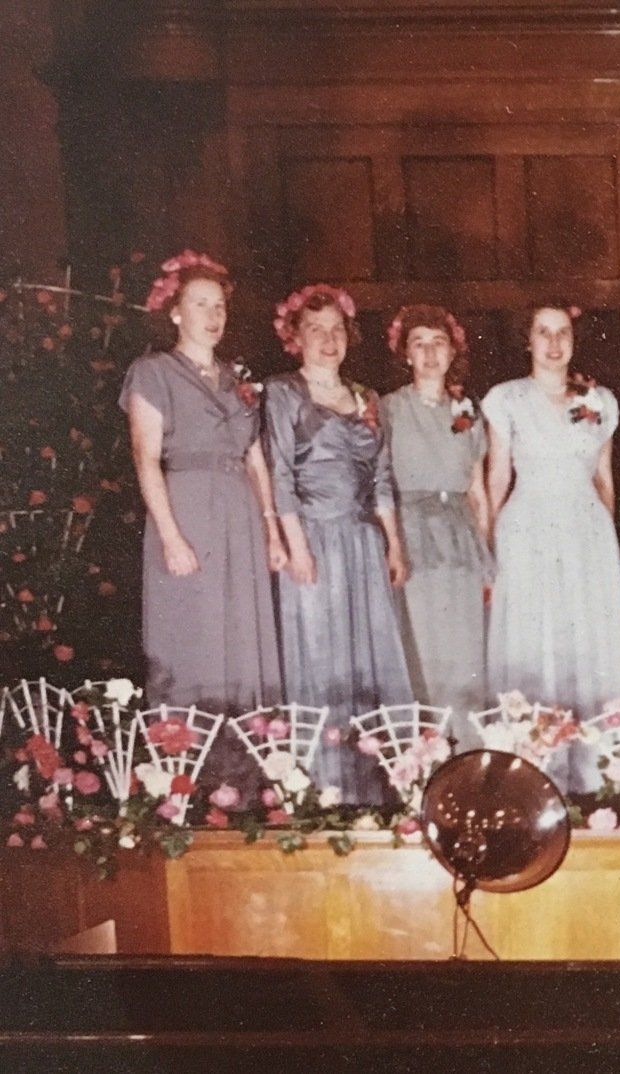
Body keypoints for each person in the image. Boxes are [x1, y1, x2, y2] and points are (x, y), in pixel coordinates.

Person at [120, 251, 283, 796]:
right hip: (186, 511)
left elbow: (257, 459)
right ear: (174, 312)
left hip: (240, 514)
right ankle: (184, 785)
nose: (213, 316)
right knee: (189, 641)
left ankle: (246, 783)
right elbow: (145, 457)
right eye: (199, 305)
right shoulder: (153, 372)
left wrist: (272, 529)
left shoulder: (239, 379)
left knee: (244, 641)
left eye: (219, 306)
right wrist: (170, 535)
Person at [263, 284, 413, 804]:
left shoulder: (367, 398)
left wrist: (393, 544)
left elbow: (382, 478)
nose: (328, 341)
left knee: (371, 659)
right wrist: (297, 546)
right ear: (295, 338)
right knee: (322, 659)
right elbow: (280, 474)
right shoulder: (283, 393)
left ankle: (378, 789)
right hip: (315, 540)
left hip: (363, 544)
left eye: (336, 330)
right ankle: (325, 792)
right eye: (315, 330)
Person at [482, 302, 620, 793]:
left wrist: (605, 539)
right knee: (532, 637)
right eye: (543, 332)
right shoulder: (506, 399)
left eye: (562, 332)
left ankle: (590, 770)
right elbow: (497, 475)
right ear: (528, 340)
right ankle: (533, 765)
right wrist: (487, 542)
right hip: (527, 527)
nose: (553, 343)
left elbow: (605, 480)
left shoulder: (599, 400)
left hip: (584, 528)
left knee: (583, 640)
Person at [380, 305, 491, 732]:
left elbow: (478, 491)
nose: (429, 353)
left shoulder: (467, 411)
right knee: (420, 646)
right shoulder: (387, 409)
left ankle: (467, 750)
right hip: (412, 535)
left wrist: (484, 554)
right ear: (405, 354)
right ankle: (423, 757)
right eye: (419, 344)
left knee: (464, 648)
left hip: (460, 537)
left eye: (438, 343)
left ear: (452, 352)